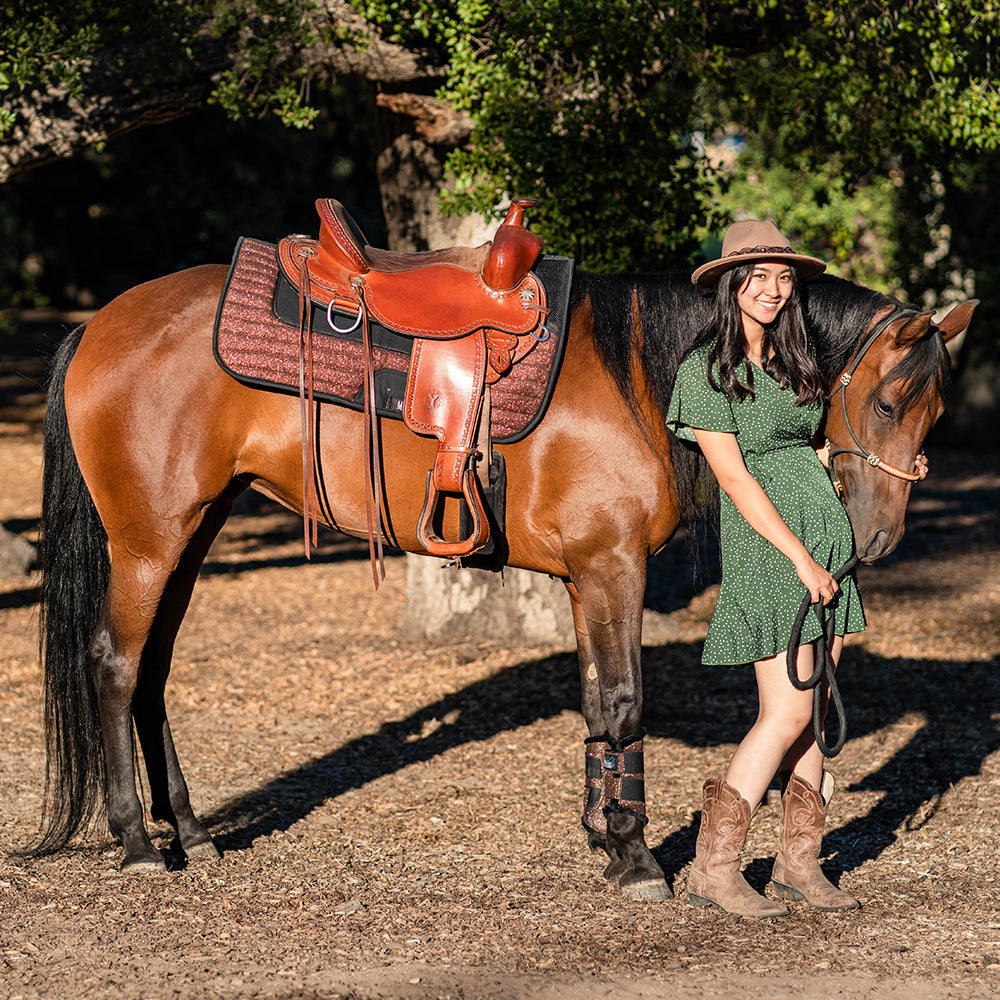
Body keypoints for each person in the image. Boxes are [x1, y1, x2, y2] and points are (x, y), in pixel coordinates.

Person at [666, 219, 925, 918]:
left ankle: (799, 863)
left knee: (812, 710)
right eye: (758, 277)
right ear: (731, 285)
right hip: (772, 548)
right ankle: (713, 869)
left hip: (825, 535)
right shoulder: (706, 372)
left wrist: (893, 461)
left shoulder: (793, 362)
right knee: (782, 713)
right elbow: (739, 482)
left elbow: (817, 453)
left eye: (784, 278)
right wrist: (801, 558)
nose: (774, 290)